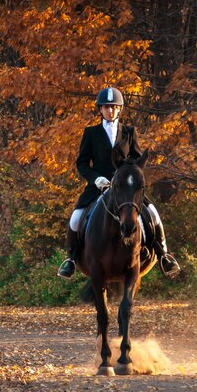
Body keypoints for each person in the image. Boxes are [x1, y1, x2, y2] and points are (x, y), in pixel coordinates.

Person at [57, 87, 180, 279]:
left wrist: (130, 176)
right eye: (106, 107)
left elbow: (138, 161)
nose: (110, 111)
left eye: (114, 107)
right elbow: (82, 163)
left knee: (153, 215)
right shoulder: (91, 133)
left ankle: (164, 256)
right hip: (99, 187)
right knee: (76, 217)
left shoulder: (129, 132)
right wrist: (95, 178)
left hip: (126, 191)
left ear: (120, 109)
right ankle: (71, 259)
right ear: (100, 109)